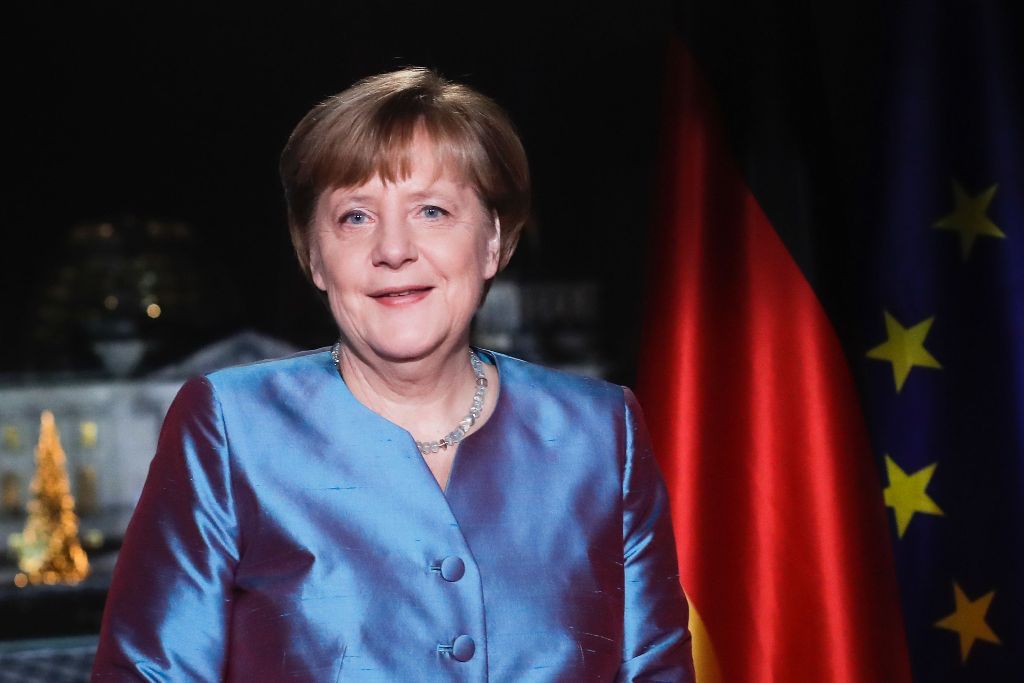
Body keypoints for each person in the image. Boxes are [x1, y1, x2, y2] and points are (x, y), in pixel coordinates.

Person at [92, 67, 694, 682]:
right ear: (314, 256)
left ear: (493, 241)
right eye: (356, 216)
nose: (394, 249)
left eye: (431, 210)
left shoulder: (602, 430)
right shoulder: (230, 429)